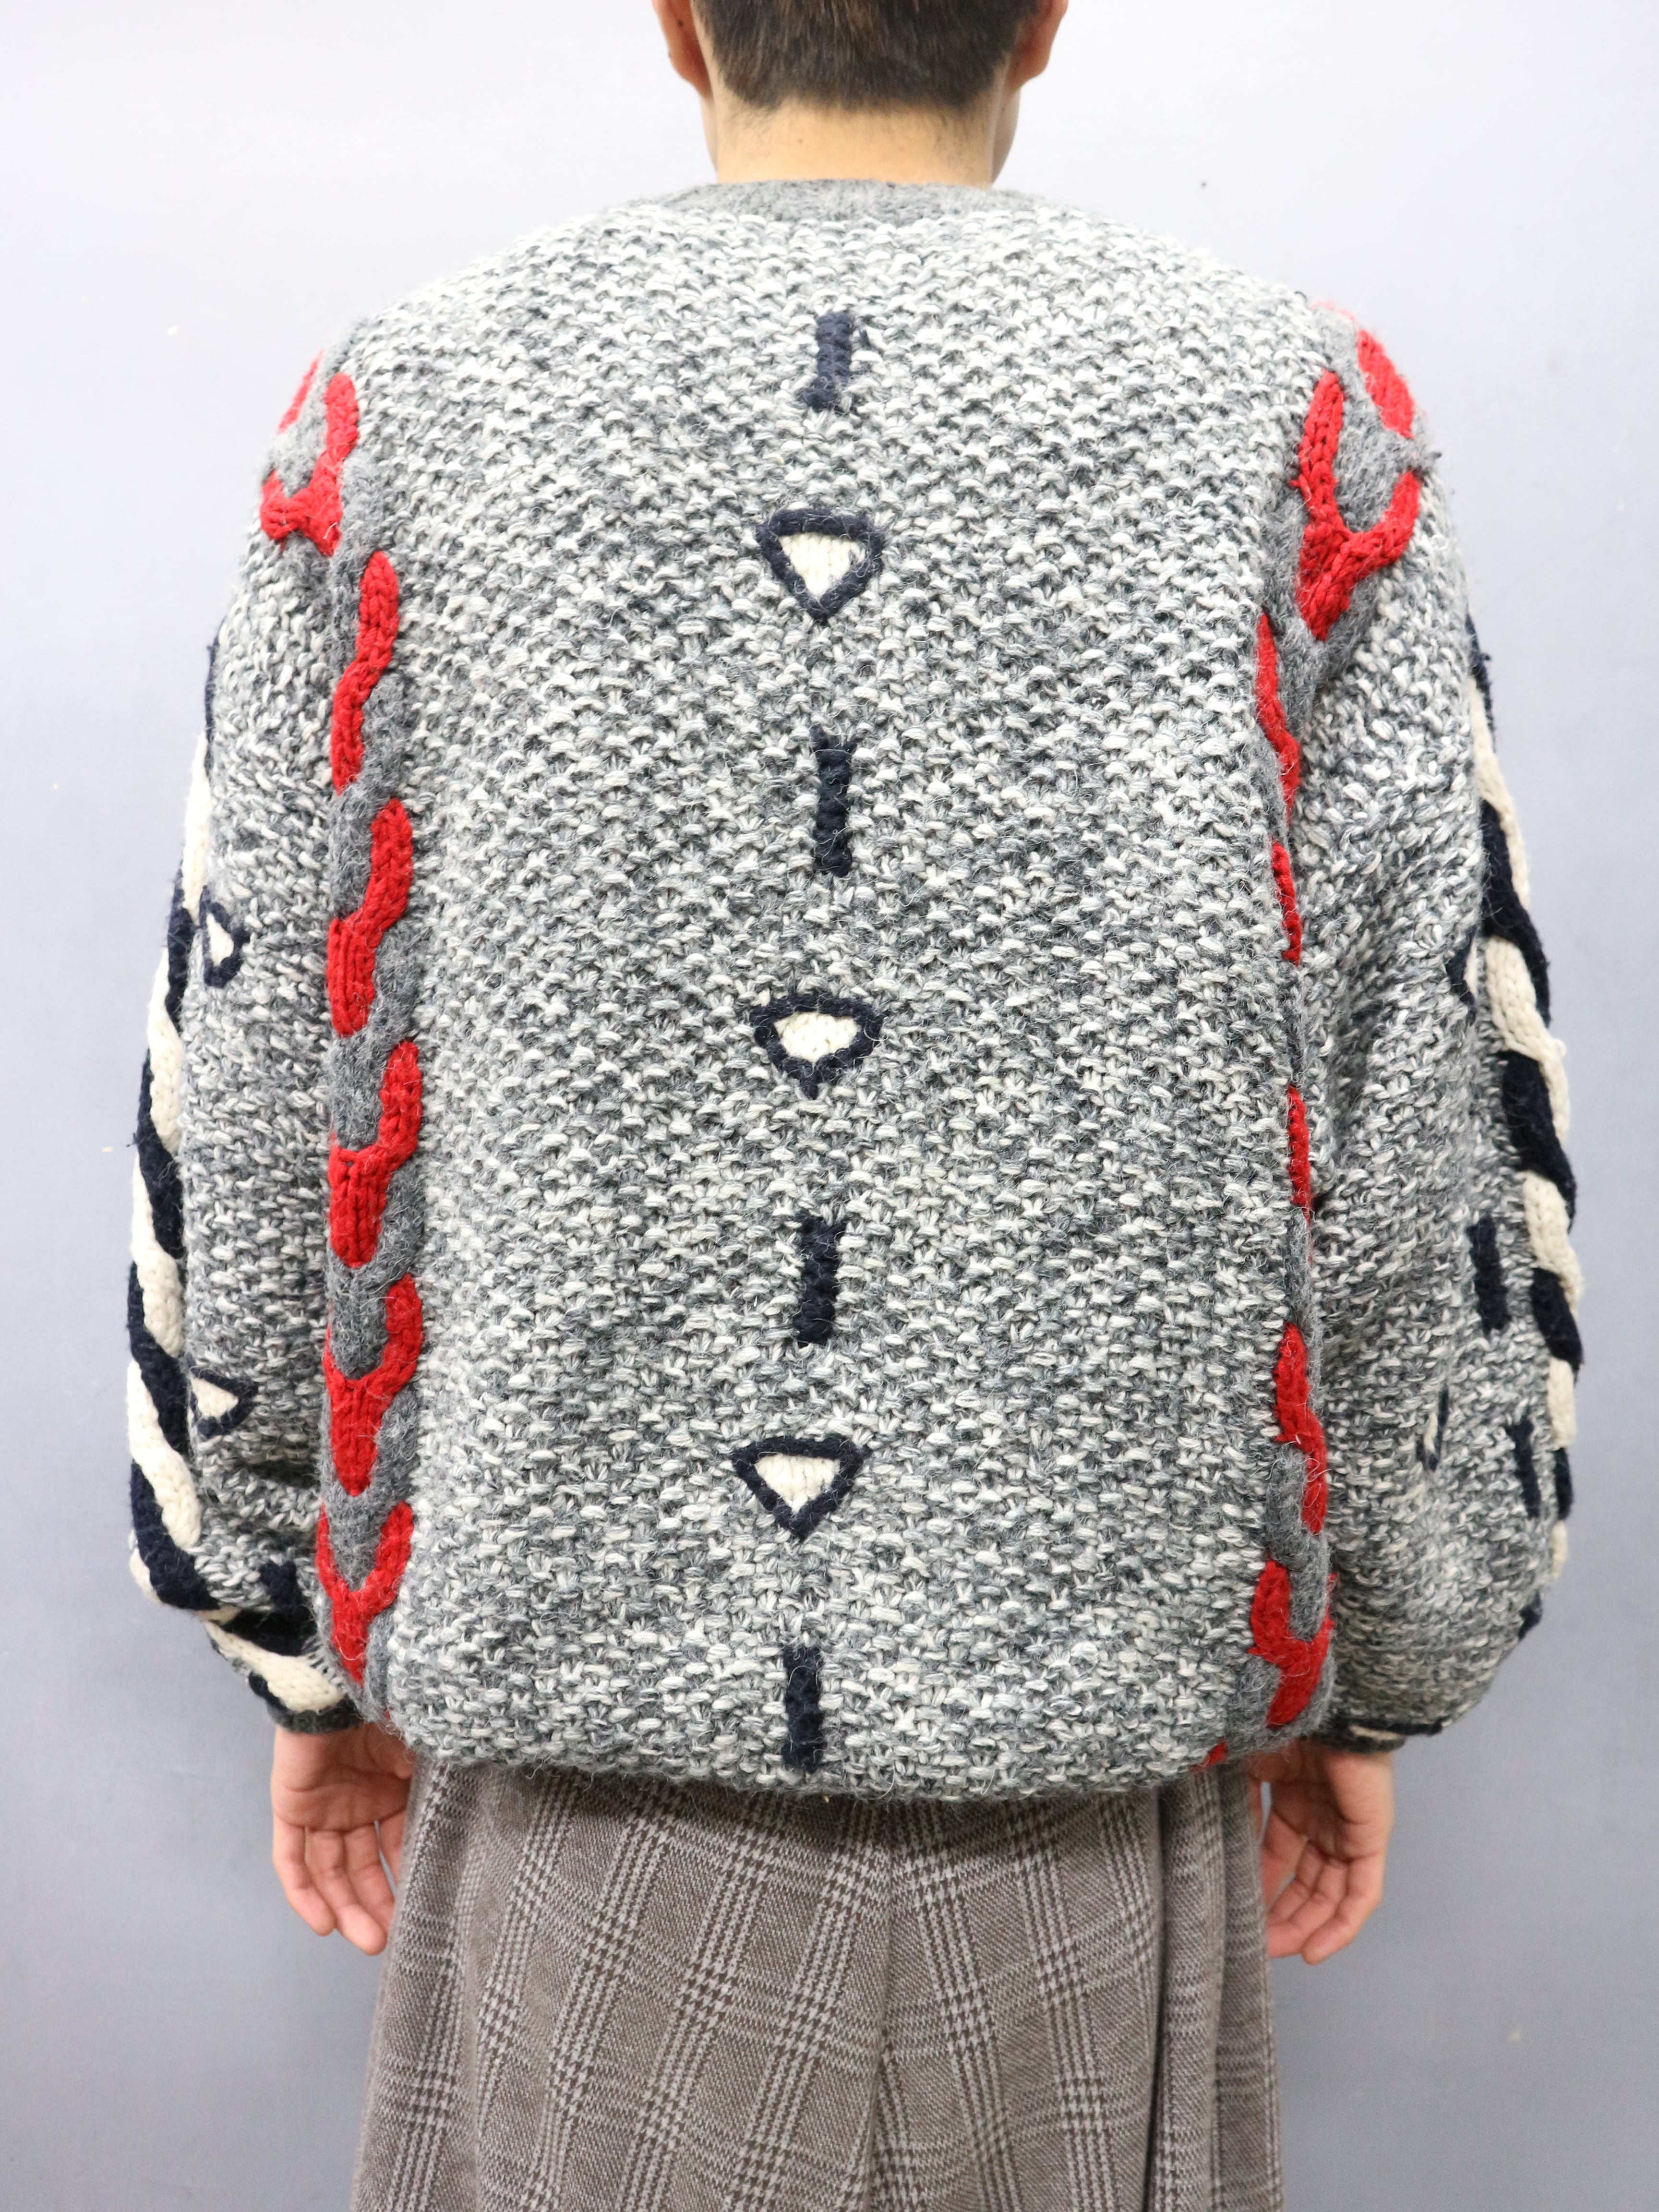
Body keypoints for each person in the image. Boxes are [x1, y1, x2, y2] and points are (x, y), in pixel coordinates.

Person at [123, 2, 1582, 2204]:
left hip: (579, 1823)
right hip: (1089, 1806)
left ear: (678, 19)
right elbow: (1422, 1074)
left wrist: (300, 1643)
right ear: (1046, 21)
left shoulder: (405, 408)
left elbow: (255, 1058)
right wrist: (1386, 1651)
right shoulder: (1293, 420)